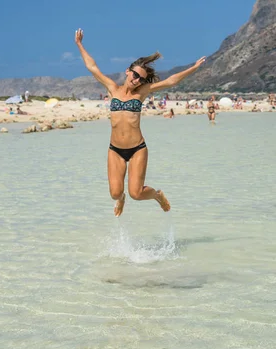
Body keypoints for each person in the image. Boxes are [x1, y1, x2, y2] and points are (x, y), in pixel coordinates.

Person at [75, 28, 205, 217]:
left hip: (137, 149)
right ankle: (121, 200)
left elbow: (170, 82)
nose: (137, 80)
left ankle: (157, 195)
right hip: (115, 150)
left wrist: (193, 67)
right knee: (115, 193)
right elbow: (93, 67)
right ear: (128, 71)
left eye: (141, 79)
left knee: (137, 193)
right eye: (135, 75)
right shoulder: (112, 88)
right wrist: (79, 44)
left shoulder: (142, 92)